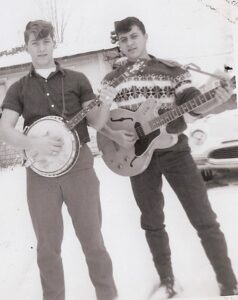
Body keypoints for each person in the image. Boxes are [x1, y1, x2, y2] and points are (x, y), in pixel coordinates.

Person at [100, 17, 238, 298]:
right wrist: (115, 135)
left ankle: (229, 282)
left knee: (204, 218)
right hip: (136, 157)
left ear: (145, 36)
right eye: (123, 39)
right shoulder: (110, 80)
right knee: (152, 221)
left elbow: (192, 102)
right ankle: (167, 282)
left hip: (175, 150)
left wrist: (215, 98)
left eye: (134, 37)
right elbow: (100, 120)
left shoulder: (171, 69)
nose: (129, 44)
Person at [0, 20, 117, 300]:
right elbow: (4, 129)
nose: (41, 48)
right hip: (41, 175)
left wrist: (107, 102)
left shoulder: (78, 79)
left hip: (80, 169)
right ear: (27, 46)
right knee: (48, 247)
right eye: (34, 43)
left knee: (93, 242)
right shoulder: (18, 89)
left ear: (54, 42)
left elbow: (97, 123)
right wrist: (34, 143)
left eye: (45, 41)